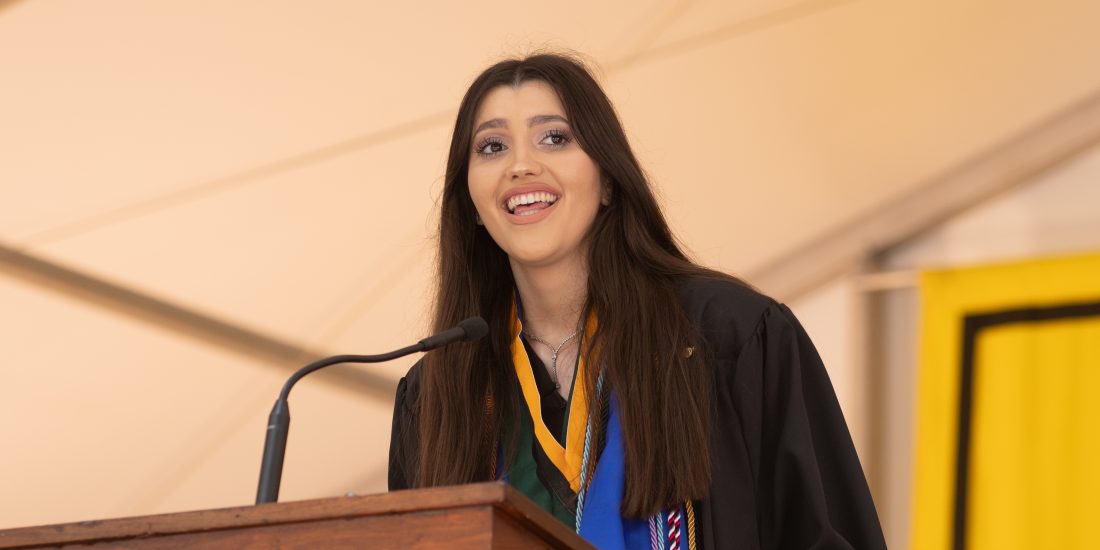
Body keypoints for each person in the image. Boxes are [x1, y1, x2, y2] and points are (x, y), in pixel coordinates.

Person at [388, 53, 886, 550]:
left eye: (555, 138)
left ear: (607, 178)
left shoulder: (727, 338)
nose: (520, 165)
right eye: (492, 146)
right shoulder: (437, 399)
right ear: (471, 204)